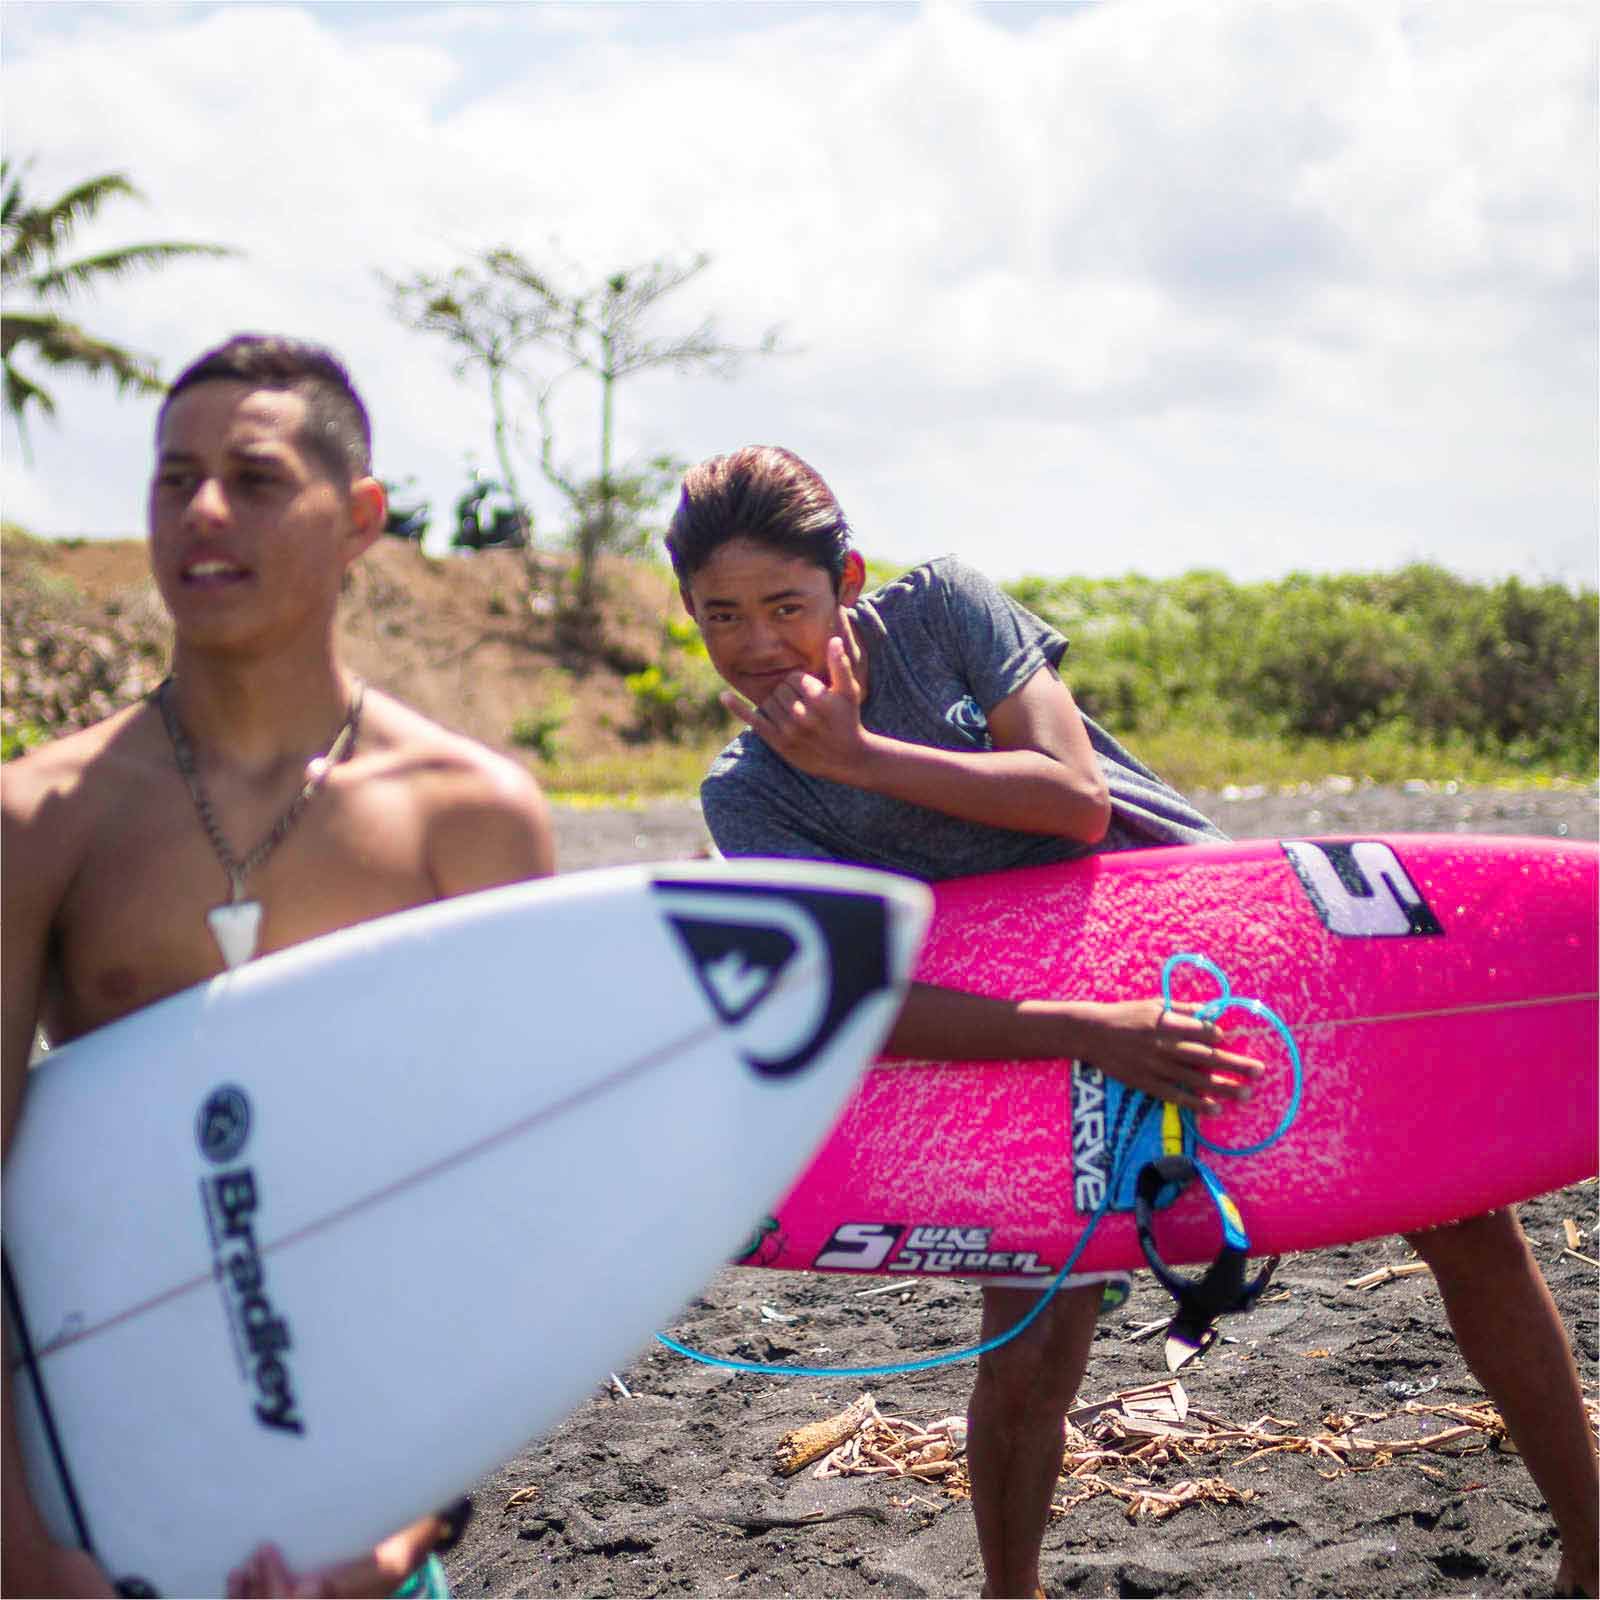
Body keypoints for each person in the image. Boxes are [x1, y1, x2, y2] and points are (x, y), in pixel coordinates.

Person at [663, 444, 1599, 1600]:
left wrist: (862, 756)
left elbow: (1075, 802)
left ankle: (1591, 1554)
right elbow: (854, 995)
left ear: (845, 579)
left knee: (1464, 1219)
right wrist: (1084, 1029)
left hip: (1217, 950)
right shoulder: (747, 793)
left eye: (785, 606)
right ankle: (1015, 1593)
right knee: (1033, 1337)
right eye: (722, 616)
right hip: (1033, 1031)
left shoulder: (945, 609)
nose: (758, 644)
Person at [1, 335, 555, 1599]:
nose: (200, 510)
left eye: (253, 479)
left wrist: (403, 1526)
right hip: (100, 1468)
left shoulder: (469, 816)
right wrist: (33, 1555)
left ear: (359, 517)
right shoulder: (41, 821)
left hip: (366, 1486)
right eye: (171, 476)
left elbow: (514, 1207)